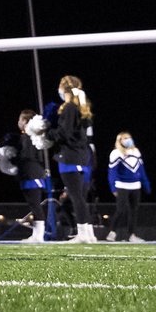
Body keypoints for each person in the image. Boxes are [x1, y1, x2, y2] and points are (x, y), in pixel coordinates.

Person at [48, 76, 95, 243]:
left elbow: (64, 133)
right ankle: (88, 233)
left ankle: (83, 233)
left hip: (70, 157)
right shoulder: (80, 108)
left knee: (76, 197)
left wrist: (47, 133)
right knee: (80, 197)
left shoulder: (69, 108)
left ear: (64, 89)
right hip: (81, 157)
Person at [4, 109, 49, 243]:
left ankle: (39, 235)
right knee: (33, 204)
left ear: (25, 121)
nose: (18, 122)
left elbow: (26, 156)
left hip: (31, 173)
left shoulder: (27, 137)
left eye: (20, 119)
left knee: (35, 204)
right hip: (30, 173)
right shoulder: (32, 136)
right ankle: (36, 235)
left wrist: (12, 158)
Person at [106, 132, 150, 242]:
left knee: (133, 212)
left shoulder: (136, 151)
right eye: (125, 138)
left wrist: (146, 185)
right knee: (121, 210)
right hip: (122, 185)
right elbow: (112, 172)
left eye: (129, 137)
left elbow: (141, 170)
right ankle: (112, 232)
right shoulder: (116, 153)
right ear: (120, 141)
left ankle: (131, 235)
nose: (128, 140)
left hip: (135, 186)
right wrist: (113, 187)